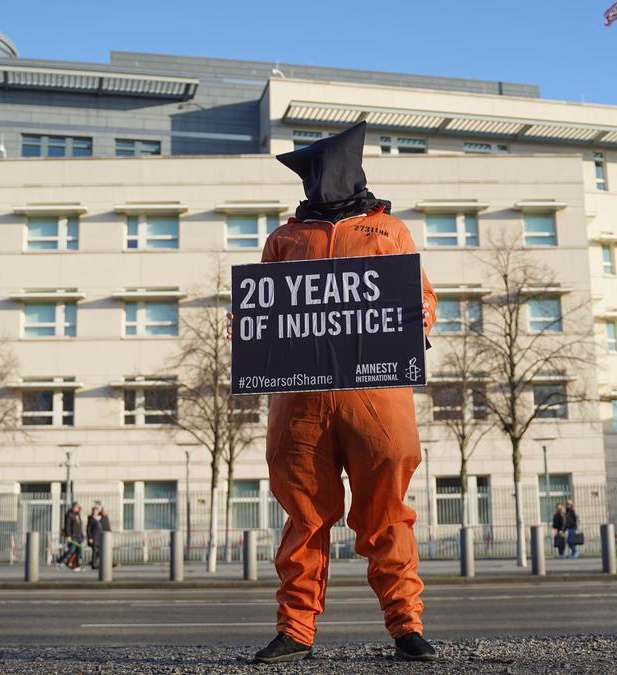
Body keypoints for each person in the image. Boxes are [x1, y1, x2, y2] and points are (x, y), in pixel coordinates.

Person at [250, 122, 439, 665]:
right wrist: (248, 325)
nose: (313, 182)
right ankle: (295, 629)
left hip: (377, 396)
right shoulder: (284, 240)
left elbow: (421, 298)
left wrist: (417, 320)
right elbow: (261, 310)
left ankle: (407, 626)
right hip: (301, 401)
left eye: (316, 171)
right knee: (304, 516)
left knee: (386, 515)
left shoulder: (391, 231)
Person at [56, 501, 84, 571]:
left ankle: (76, 565)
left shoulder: (77, 515)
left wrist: (82, 535)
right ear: (74, 507)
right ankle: (60, 560)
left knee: (79, 551)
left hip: (79, 536)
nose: (78, 509)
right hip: (73, 535)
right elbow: (67, 526)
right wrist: (68, 535)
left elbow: (79, 526)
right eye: (77, 507)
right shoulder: (69, 515)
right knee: (72, 549)